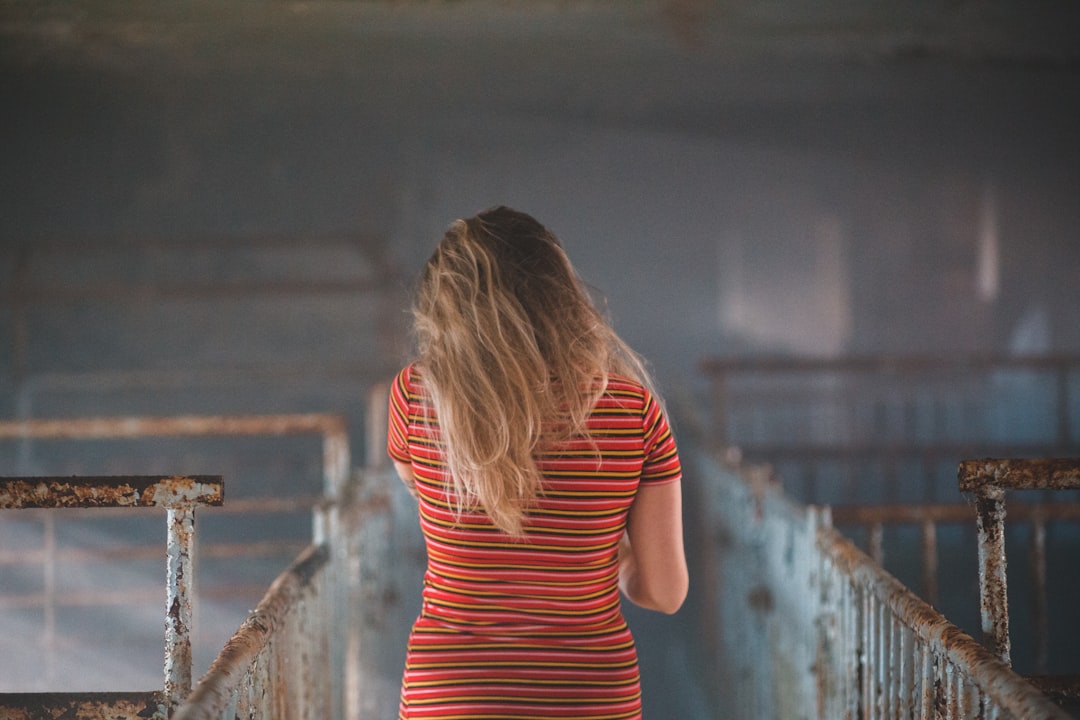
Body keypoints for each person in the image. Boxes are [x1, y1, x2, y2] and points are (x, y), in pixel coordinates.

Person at [387, 206, 688, 719]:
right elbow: (664, 593)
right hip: (589, 700)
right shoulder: (632, 411)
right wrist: (617, 556)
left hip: (455, 700)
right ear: (561, 298)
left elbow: (415, 484)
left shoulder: (416, 397)